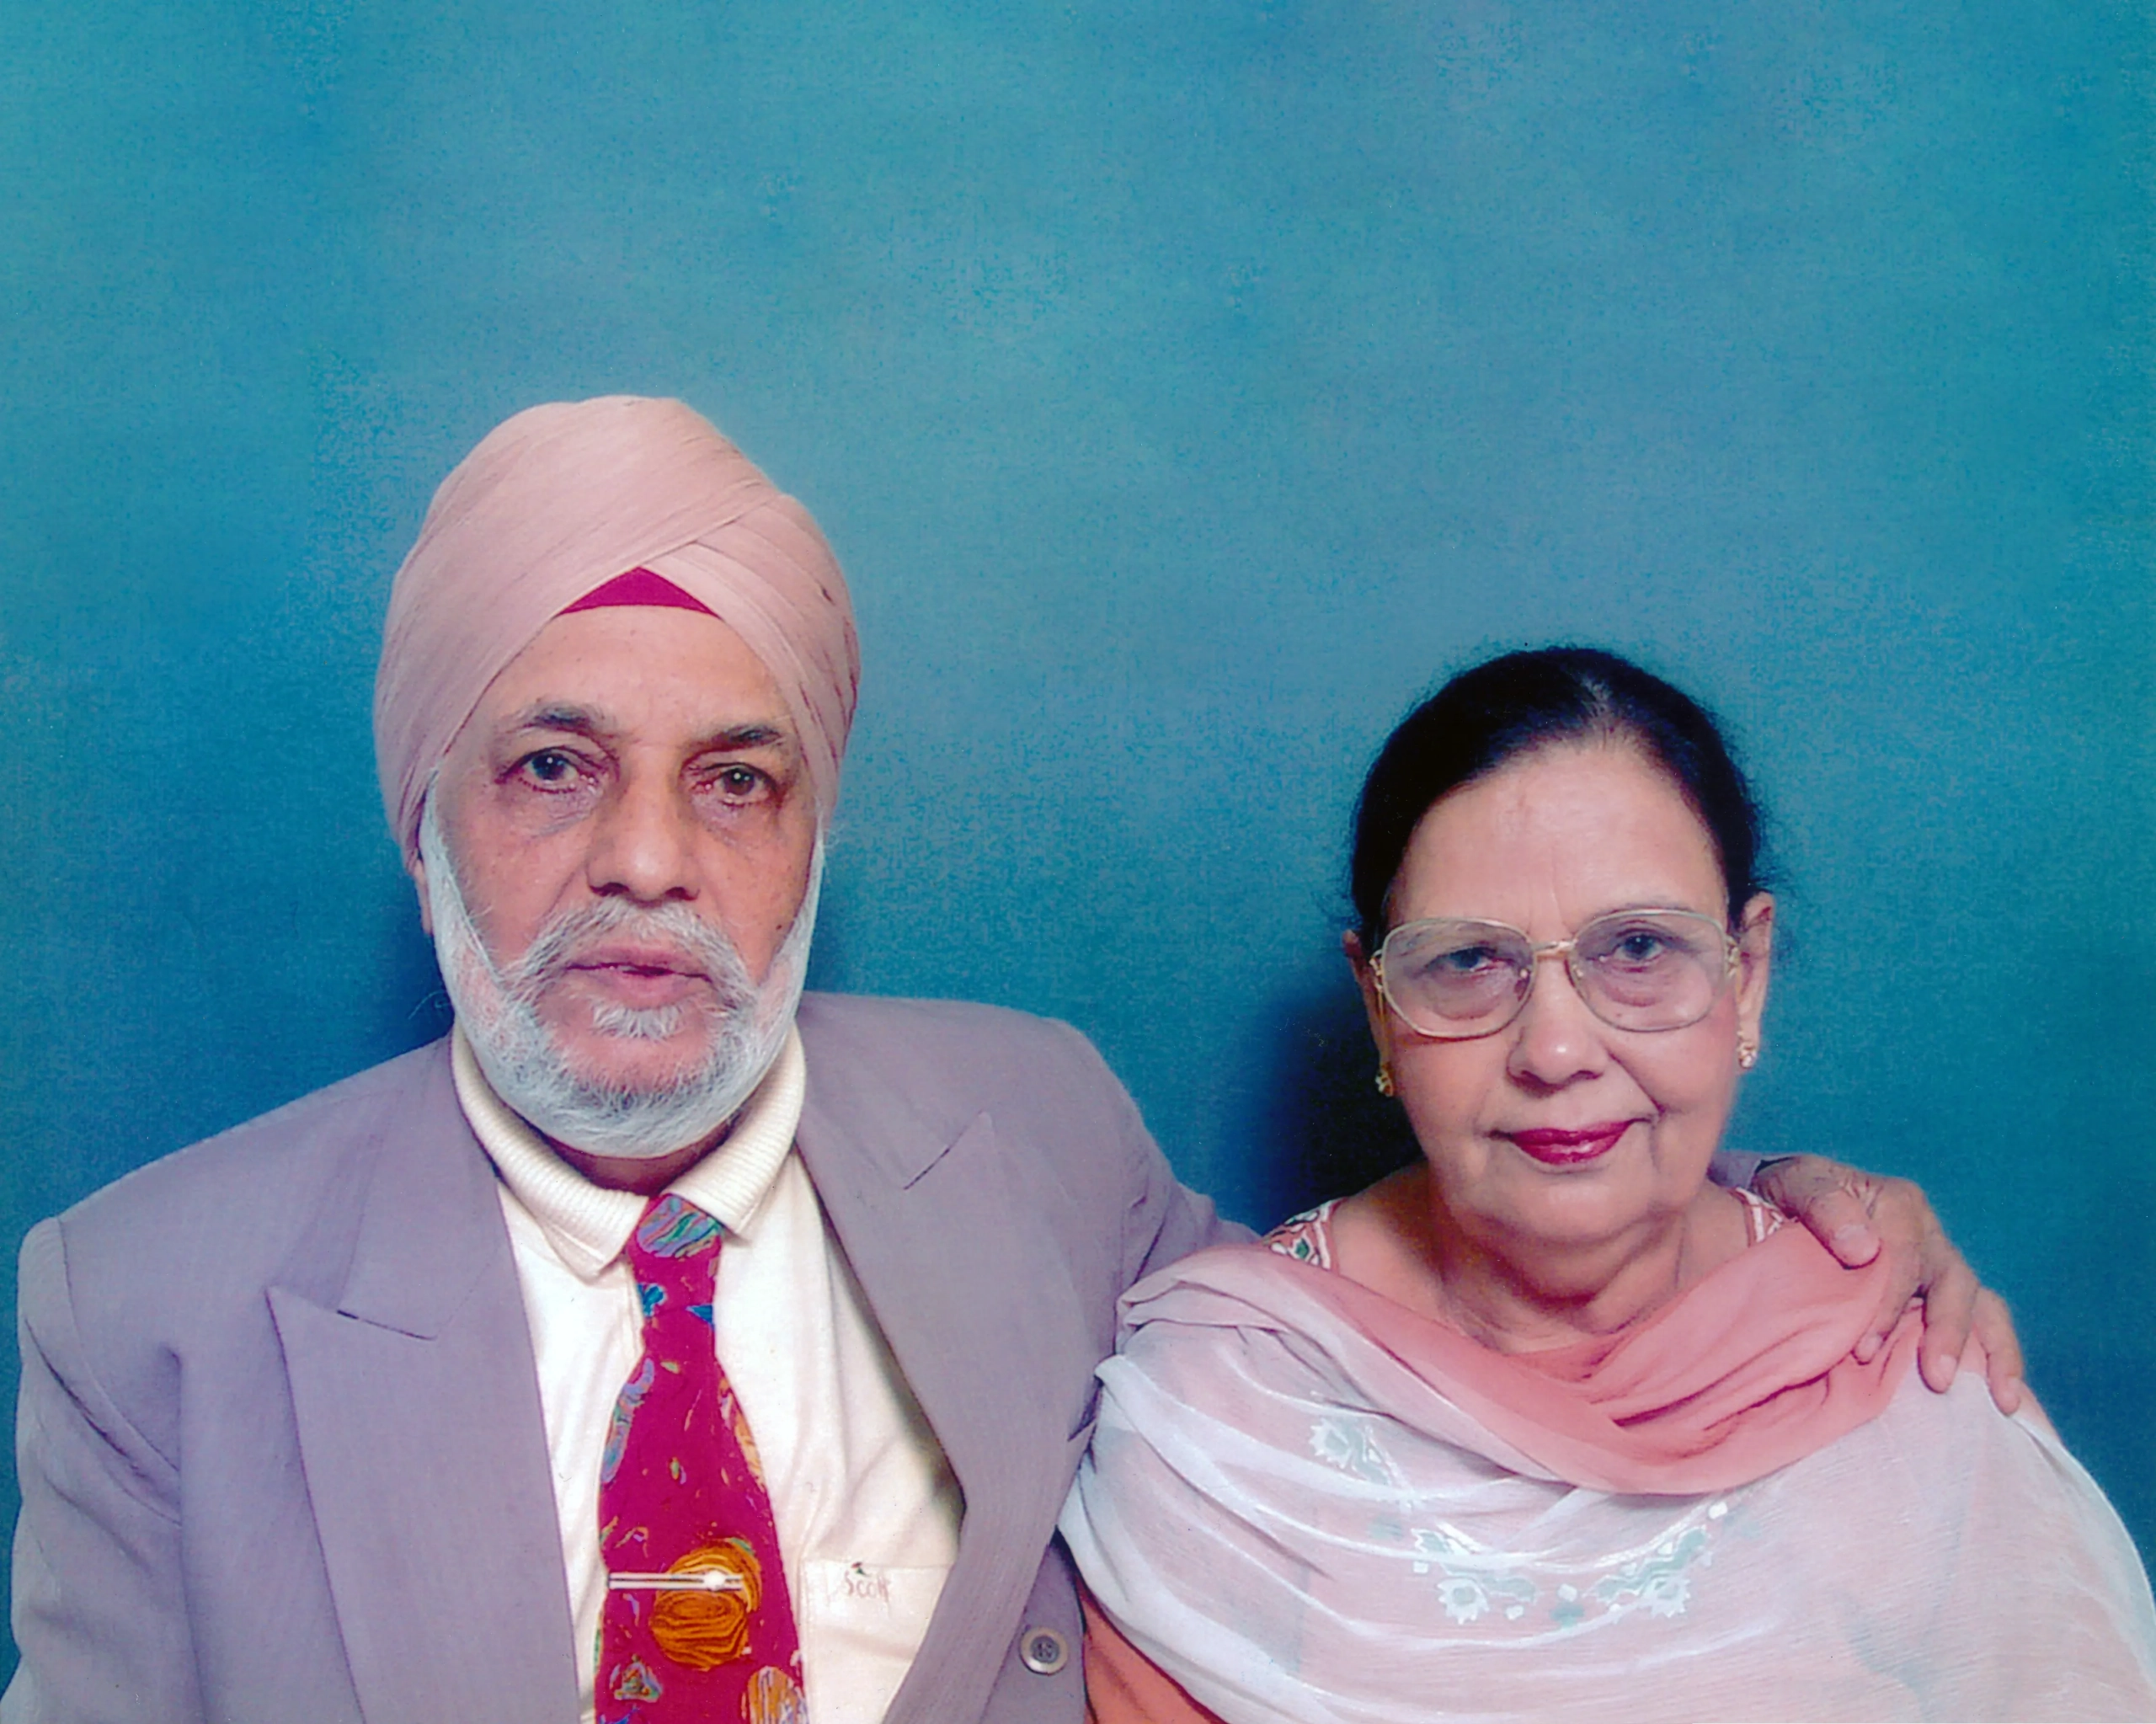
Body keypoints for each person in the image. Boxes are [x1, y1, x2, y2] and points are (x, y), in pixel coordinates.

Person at [5, 407, 2013, 1724]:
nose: (647, 861)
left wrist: (1767, 1235)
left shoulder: (1034, 1127)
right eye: (551, 767)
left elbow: (1397, 1346)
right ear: (421, 821)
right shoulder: (146, 1307)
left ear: (814, 833)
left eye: (735, 780)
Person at [1061, 646, 2156, 1722]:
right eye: (1468, 960)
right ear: (1379, 1005)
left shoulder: (1900, 1358)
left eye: (1637, 948)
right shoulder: (1224, 1412)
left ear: (1747, 975)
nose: (1556, 1051)